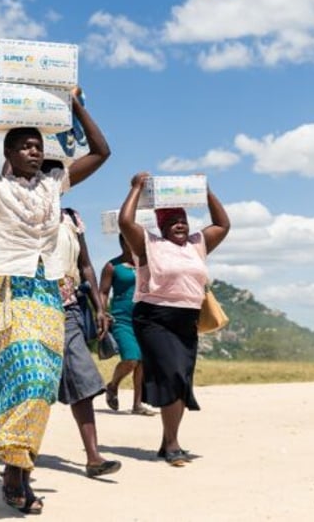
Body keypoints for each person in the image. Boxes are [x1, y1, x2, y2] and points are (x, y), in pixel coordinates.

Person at [0, 82, 110, 514]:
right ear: (8, 154)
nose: (34, 152)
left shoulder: (53, 186)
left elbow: (101, 152)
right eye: (24, 146)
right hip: (12, 290)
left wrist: (77, 105)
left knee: (41, 385)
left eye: (38, 146)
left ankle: (18, 467)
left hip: (48, 292)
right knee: (23, 377)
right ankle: (14, 473)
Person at [118, 172, 230, 467]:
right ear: (161, 227)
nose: (179, 225)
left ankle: (168, 440)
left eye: (182, 220)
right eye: (171, 222)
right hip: (154, 319)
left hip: (186, 320)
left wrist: (206, 191)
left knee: (181, 380)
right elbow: (125, 223)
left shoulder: (197, 244)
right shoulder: (148, 245)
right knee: (173, 374)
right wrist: (136, 188)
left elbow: (223, 224)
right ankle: (172, 445)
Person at [52, 202, 122, 478]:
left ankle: (93, 458)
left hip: (68, 308)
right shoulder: (21, 207)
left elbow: (85, 266)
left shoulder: (71, 217)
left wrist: (99, 307)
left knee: (81, 374)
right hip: (30, 306)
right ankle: (15, 457)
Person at [98, 234, 156, 416]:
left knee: (142, 363)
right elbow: (103, 291)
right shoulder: (112, 266)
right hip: (121, 319)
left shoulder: (147, 265)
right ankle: (113, 385)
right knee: (131, 359)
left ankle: (137, 405)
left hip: (145, 318)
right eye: (131, 241)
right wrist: (102, 312)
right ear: (123, 243)